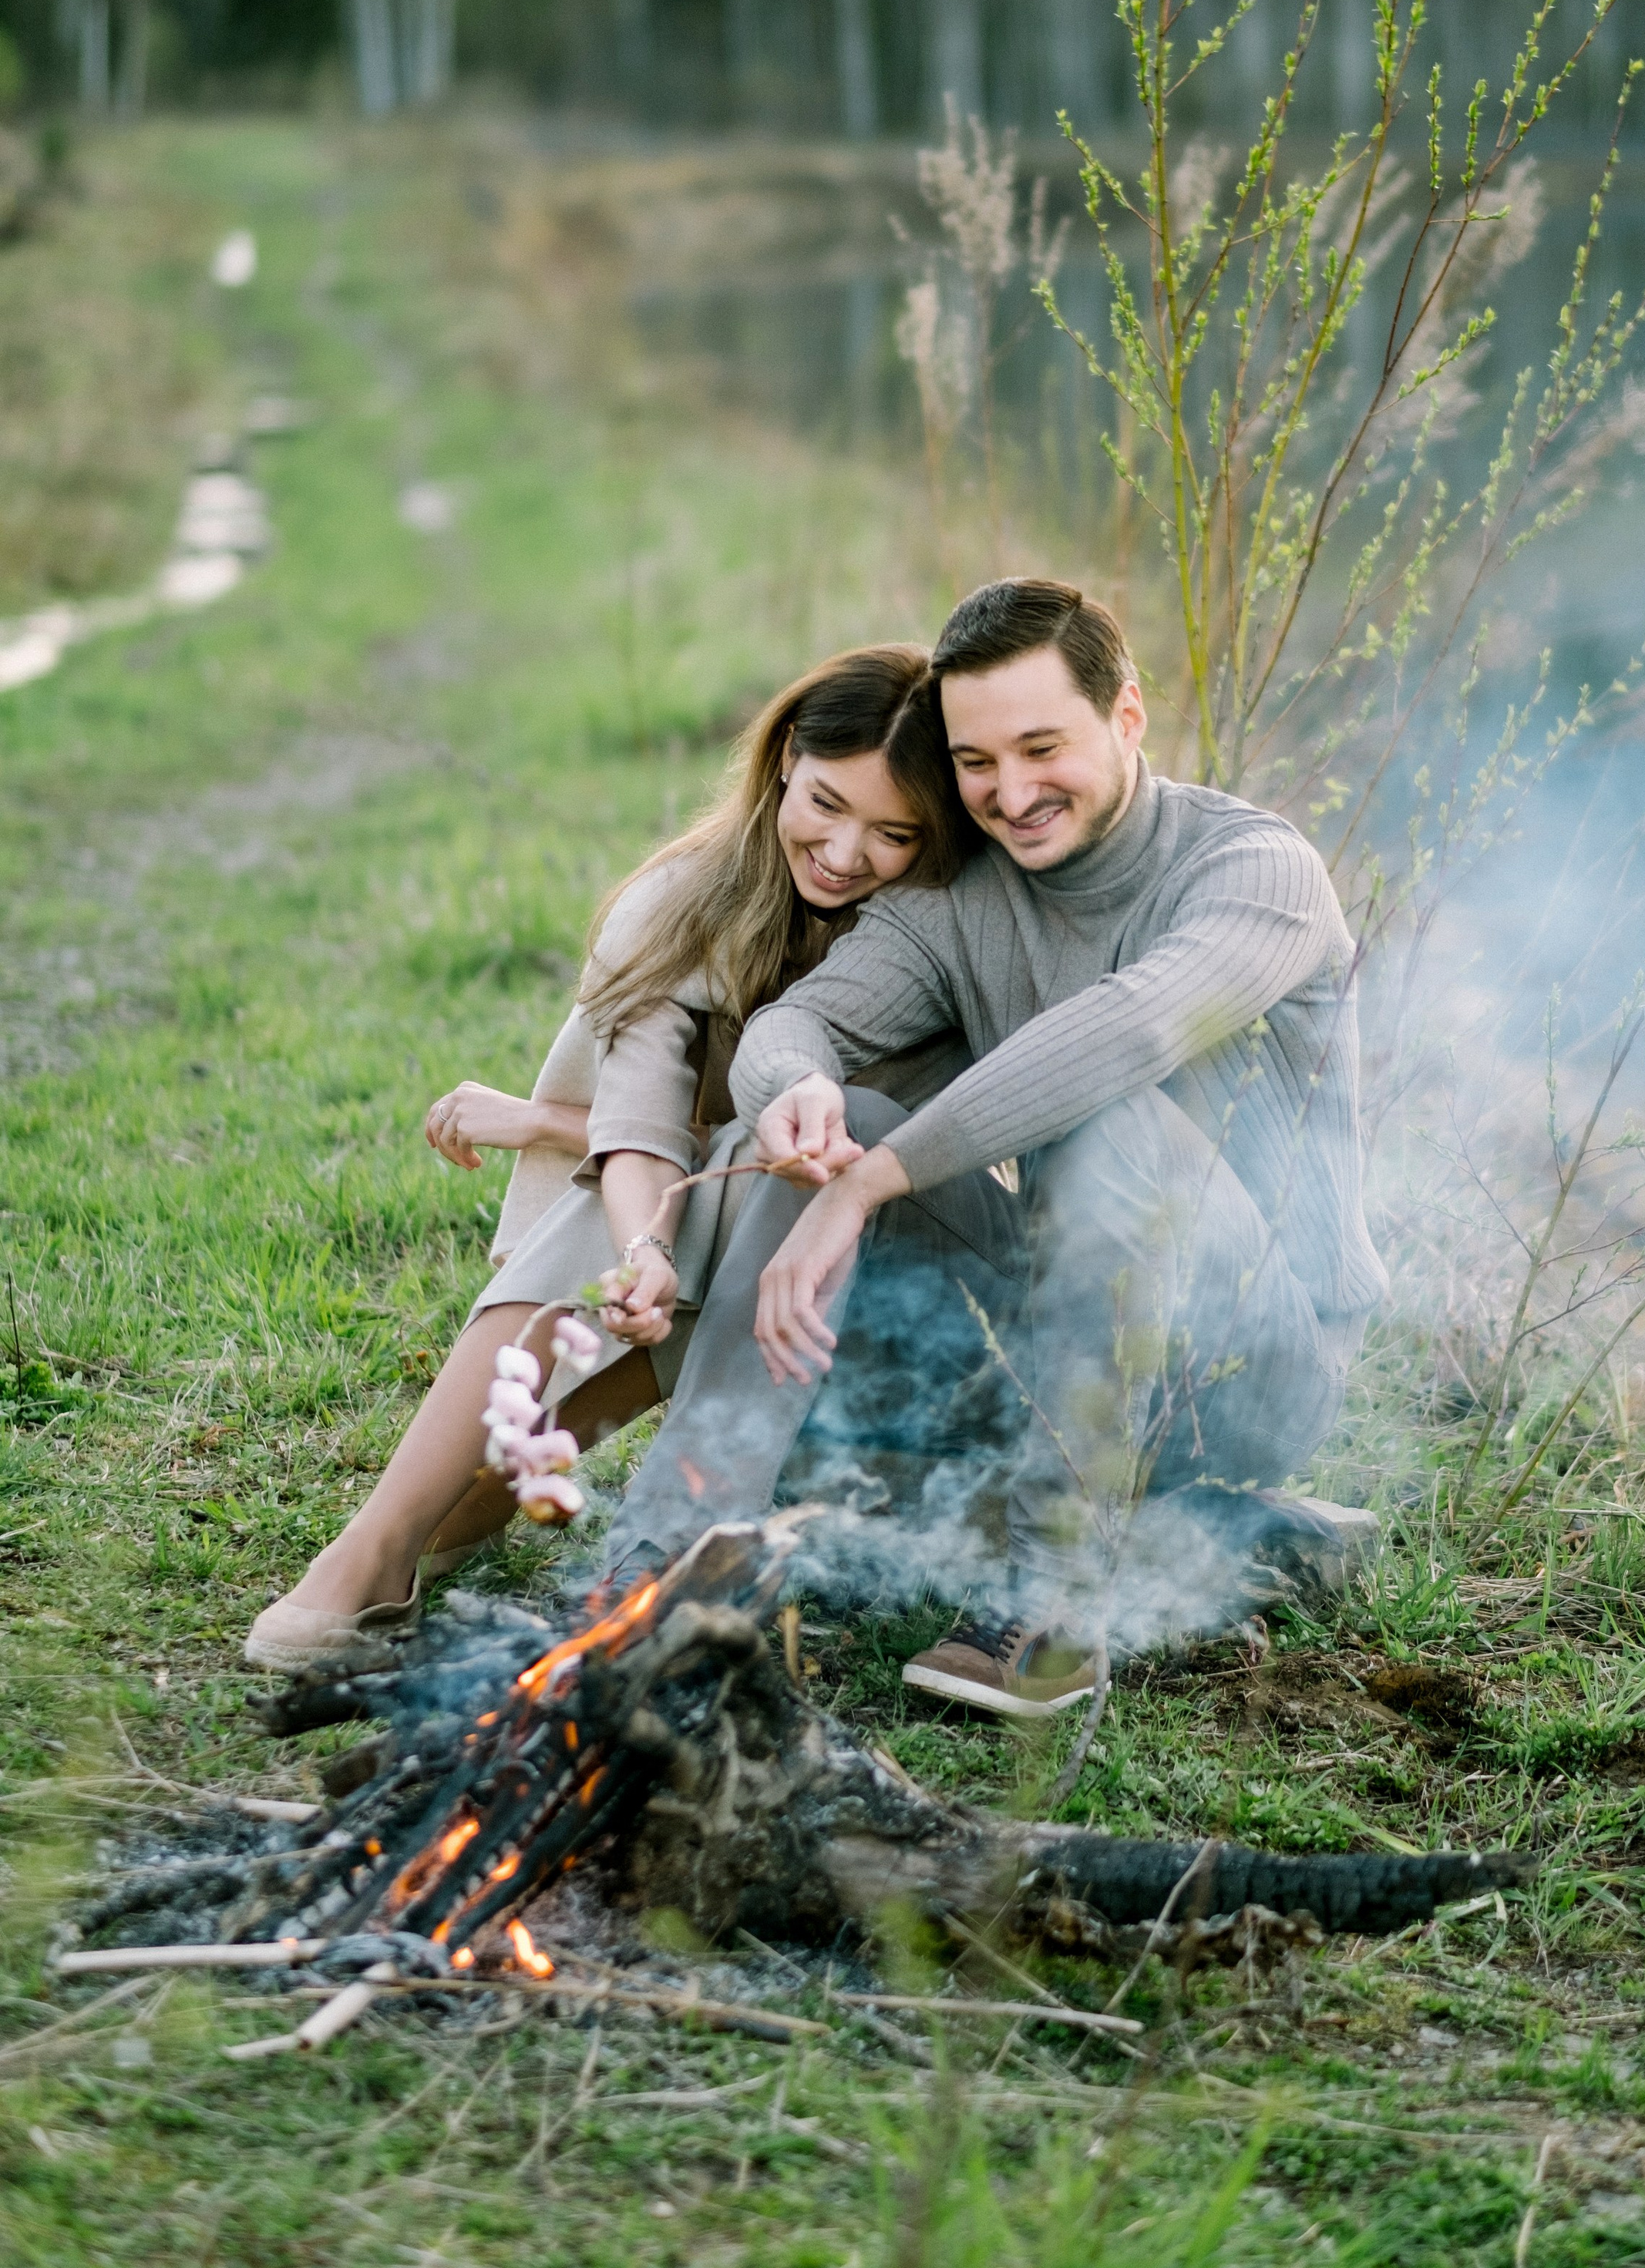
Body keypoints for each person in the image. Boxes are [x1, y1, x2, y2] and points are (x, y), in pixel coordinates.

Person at [600, 575, 1388, 1717]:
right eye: (976, 764)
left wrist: (873, 1184)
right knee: (834, 1130)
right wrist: (800, 1097)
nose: (1012, 795)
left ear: (1126, 718)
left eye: (1043, 748)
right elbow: (796, 1022)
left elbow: (1126, 1031)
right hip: (1060, 1331)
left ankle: (1055, 1600)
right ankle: (665, 1570)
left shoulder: (1254, 872)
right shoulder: (966, 894)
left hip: (1253, 1364)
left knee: (1103, 1119)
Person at [241, 643, 975, 1669]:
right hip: (701, 1230)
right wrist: (645, 1253)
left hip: (873, 1280)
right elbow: (638, 1119)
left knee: (777, 1169)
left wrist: (557, 1133)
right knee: (473, 1501)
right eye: (824, 803)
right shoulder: (682, 902)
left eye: (893, 832)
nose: (846, 852)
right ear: (781, 765)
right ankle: (383, 1545)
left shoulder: (936, 933)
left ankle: (385, 1551)